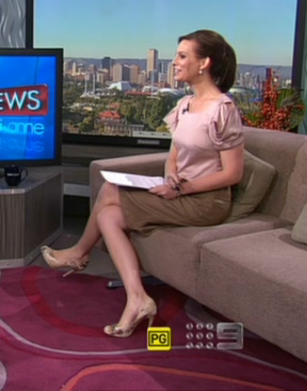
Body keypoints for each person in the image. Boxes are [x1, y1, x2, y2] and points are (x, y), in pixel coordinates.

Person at [42, 30, 244, 338]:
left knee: (109, 190)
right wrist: (171, 175)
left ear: (204, 63)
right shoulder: (186, 104)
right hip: (180, 191)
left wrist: (181, 188)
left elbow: (232, 174)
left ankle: (80, 253)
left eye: (182, 56)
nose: (174, 62)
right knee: (109, 215)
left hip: (207, 201)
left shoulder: (223, 110)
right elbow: (173, 156)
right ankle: (137, 298)